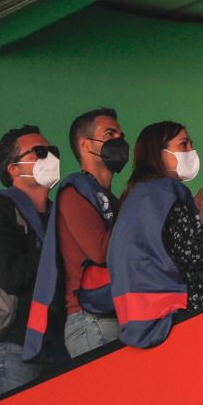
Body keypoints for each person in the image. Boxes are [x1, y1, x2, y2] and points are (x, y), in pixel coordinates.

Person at [106, 123, 203, 348]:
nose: (191, 150)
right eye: (183, 144)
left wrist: (197, 221)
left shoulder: (137, 196)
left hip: (145, 319)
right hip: (178, 315)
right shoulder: (165, 193)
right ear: (157, 153)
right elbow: (192, 256)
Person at [24, 109, 126, 363]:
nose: (120, 141)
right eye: (109, 134)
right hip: (92, 322)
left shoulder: (112, 200)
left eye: (121, 135)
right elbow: (101, 251)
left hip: (115, 316)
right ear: (85, 144)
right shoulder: (73, 191)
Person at [0, 126, 56, 396]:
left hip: (56, 344)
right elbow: (9, 275)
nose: (49, 157)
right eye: (39, 152)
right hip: (16, 347)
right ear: (13, 169)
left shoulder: (57, 213)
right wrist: (55, 251)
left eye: (52, 152)